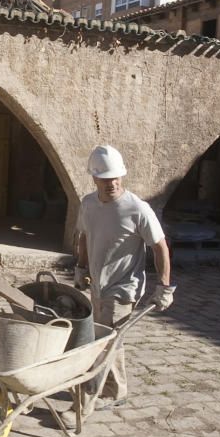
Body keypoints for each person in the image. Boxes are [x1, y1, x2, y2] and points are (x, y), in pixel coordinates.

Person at [74, 144, 175, 408]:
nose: (112, 183)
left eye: (116, 176)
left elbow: (160, 246)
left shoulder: (137, 209)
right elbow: (84, 236)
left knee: (108, 339)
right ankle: (106, 386)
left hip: (123, 287)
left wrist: (164, 286)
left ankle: (111, 392)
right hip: (97, 284)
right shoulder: (88, 204)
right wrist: (81, 268)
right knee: (102, 337)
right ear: (94, 178)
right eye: (106, 178)